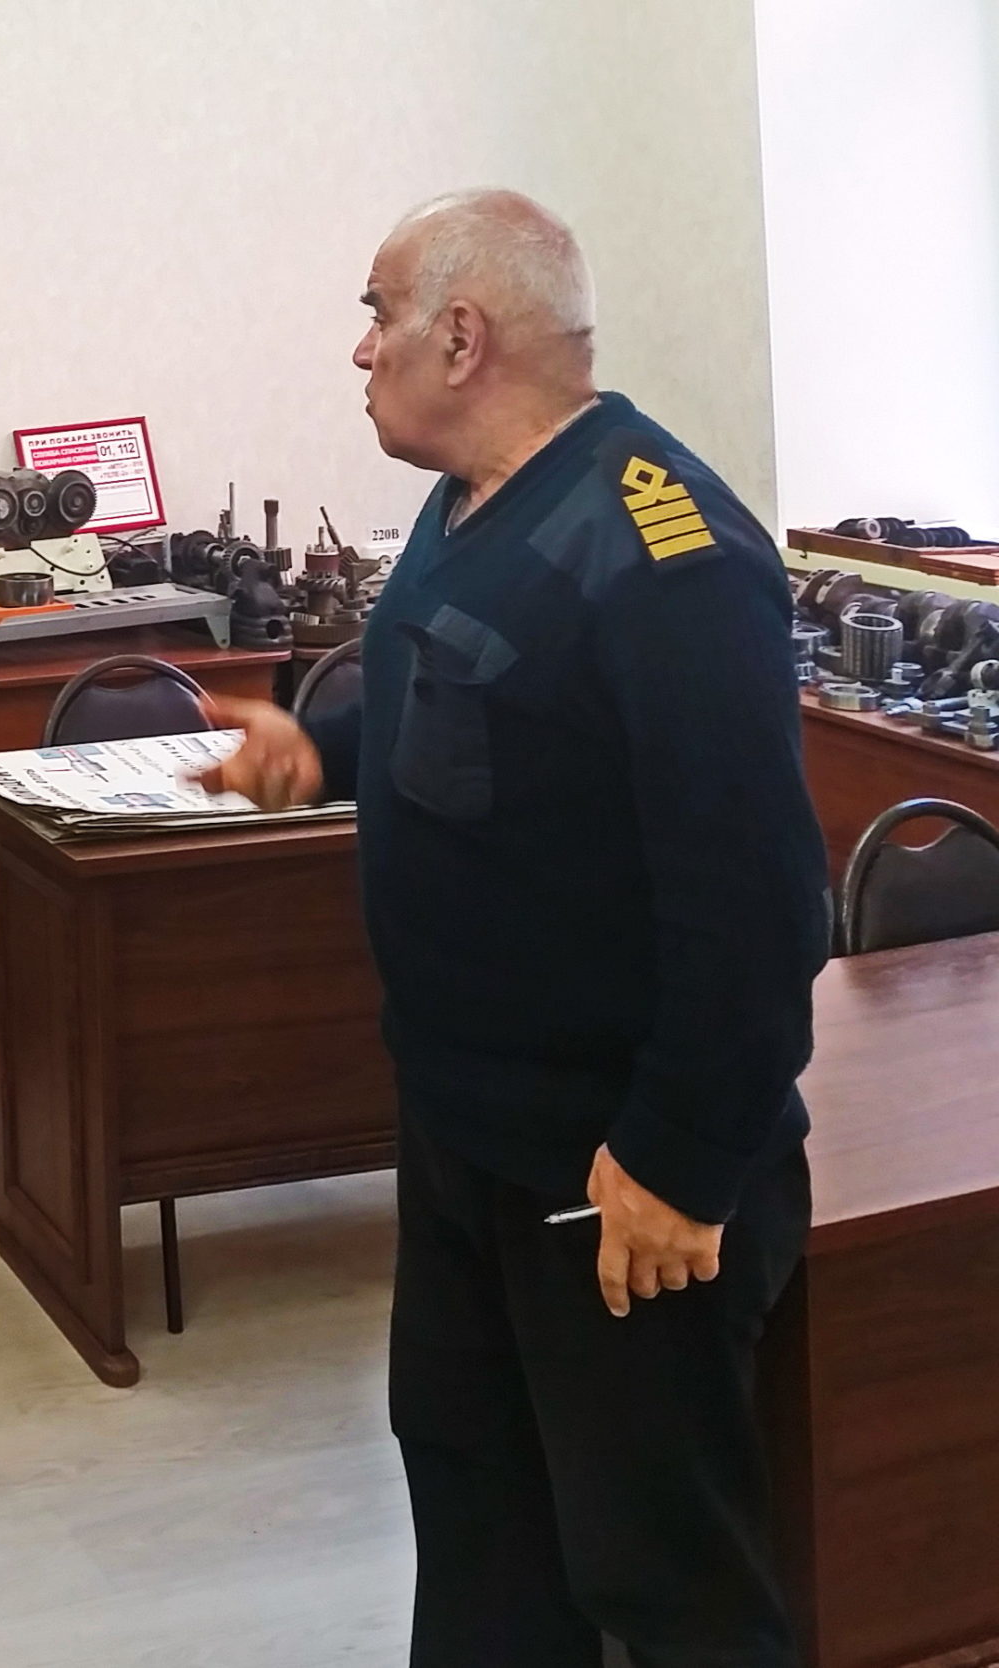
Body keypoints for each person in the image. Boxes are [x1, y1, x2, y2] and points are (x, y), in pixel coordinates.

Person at [201, 190, 827, 1667]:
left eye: (378, 314)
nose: (360, 350)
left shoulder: (664, 552)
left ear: (462, 337)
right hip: (465, 1133)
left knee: (663, 1580)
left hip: (614, 1176)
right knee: (482, 1520)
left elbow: (755, 904)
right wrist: (319, 754)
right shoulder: (468, 500)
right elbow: (467, 709)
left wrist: (678, 1161)